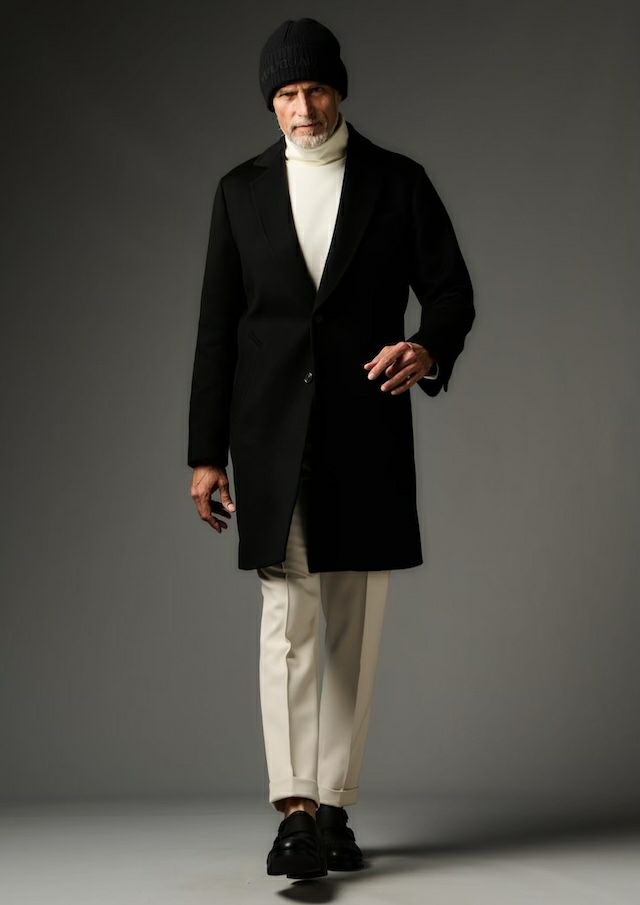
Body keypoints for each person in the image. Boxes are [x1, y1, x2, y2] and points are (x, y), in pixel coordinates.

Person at [188, 17, 475, 880]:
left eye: (314, 89)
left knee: (353, 626)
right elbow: (216, 329)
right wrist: (205, 452)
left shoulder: (397, 182)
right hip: (269, 439)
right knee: (287, 620)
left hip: (366, 434)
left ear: (338, 90)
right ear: (270, 102)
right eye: (286, 93)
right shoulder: (239, 192)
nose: (302, 107)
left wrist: (428, 348)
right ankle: (297, 810)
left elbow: (452, 293)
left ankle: (336, 806)